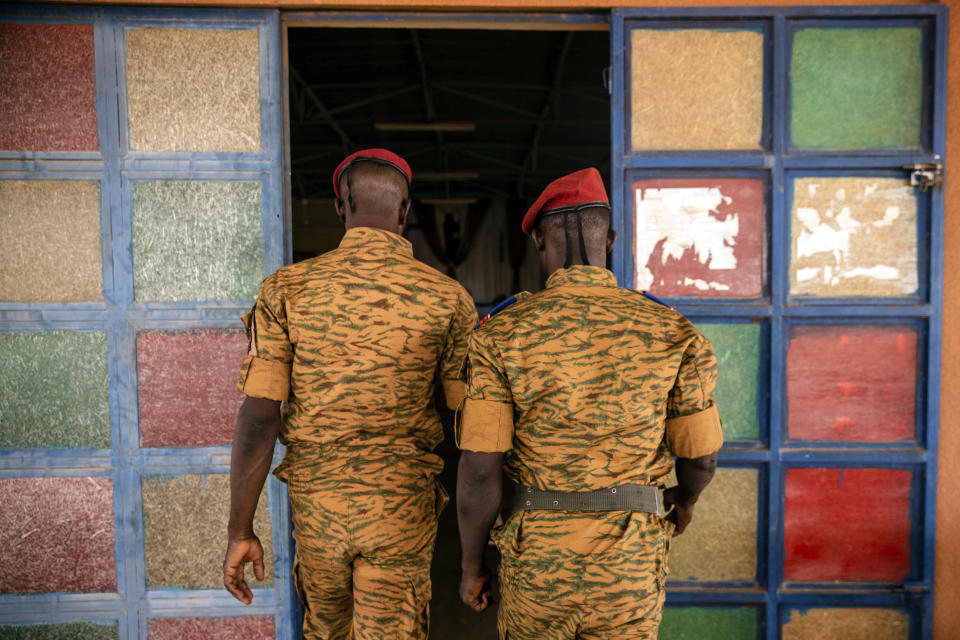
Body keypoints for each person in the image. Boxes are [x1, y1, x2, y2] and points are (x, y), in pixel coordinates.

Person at [455, 168, 723, 639]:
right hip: (630, 567)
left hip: (538, 568)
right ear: (612, 240)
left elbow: (479, 469)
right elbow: (700, 457)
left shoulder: (500, 334)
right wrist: (685, 502)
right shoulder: (674, 333)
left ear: (539, 241)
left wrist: (471, 565)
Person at [223, 149, 477, 640]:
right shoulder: (448, 298)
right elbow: (472, 426)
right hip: (401, 510)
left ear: (341, 208)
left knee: (327, 630)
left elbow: (258, 419)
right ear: (405, 211)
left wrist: (240, 530)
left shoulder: (285, 291)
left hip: (320, 515)